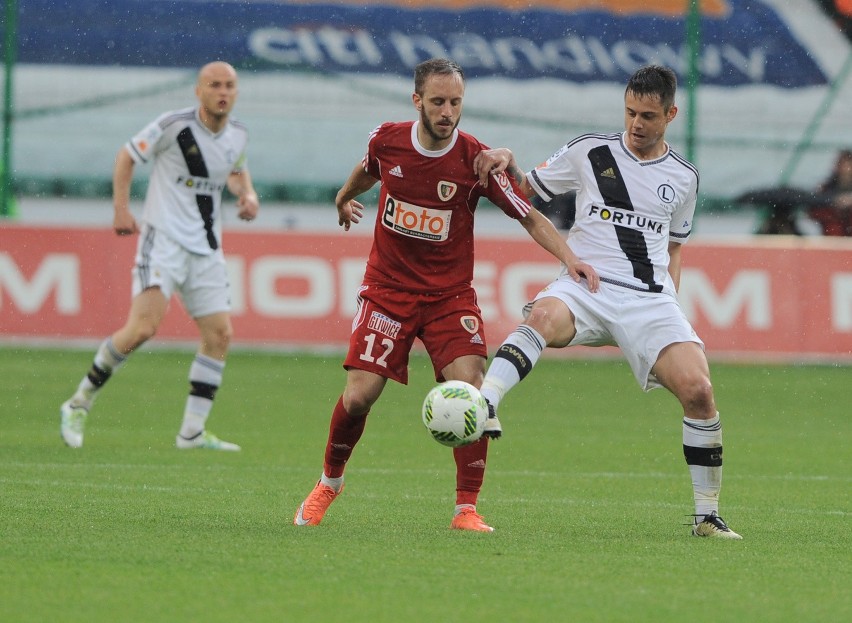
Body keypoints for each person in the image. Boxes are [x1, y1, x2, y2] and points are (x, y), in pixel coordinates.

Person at [293, 58, 598, 532]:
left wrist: (569, 258)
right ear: (417, 101)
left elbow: (527, 214)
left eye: (455, 102)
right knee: (359, 396)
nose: (447, 111)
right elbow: (367, 169)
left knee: (471, 390)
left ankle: (466, 509)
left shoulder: (476, 160)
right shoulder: (387, 140)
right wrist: (342, 196)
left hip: (448, 297)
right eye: (437, 101)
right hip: (388, 291)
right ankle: (328, 484)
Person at [473, 65, 742, 539]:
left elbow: (675, 246)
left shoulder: (683, 178)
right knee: (542, 315)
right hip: (587, 285)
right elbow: (525, 190)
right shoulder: (589, 151)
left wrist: (672, 303)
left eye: (649, 116)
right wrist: (509, 161)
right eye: (631, 112)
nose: (637, 123)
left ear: (671, 114)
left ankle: (707, 516)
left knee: (700, 392)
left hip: (650, 301)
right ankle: (485, 403)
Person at [59, 61, 260, 451]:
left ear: (237, 92)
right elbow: (127, 154)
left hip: (206, 249)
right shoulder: (173, 125)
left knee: (219, 336)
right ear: (198, 90)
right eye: (214, 85)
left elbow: (235, 171)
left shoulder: (238, 134)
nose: (223, 92)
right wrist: (121, 208)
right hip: (164, 241)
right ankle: (78, 401)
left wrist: (247, 195)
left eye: (230, 85)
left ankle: (191, 432)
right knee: (142, 330)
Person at [808, 149, 852, 236]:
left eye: (848, 165)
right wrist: (834, 201)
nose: (846, 169)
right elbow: (813, 210)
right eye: (843, 165)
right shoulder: (826, 188)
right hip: (830, 234)